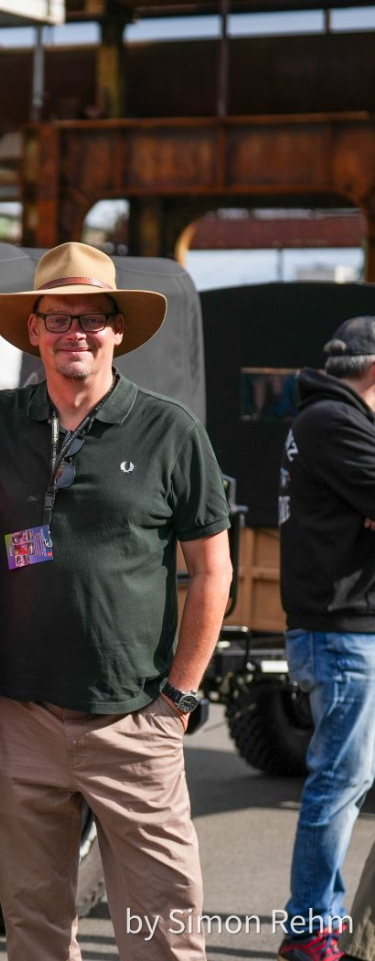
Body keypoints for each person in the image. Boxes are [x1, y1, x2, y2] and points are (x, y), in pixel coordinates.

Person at [0, 242, 233, 961]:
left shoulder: (169, 430)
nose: (75, 334)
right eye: (58, 319)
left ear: (118, 329)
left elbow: (213, 572)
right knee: (34, 934)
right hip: (20, 719)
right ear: (34, 330)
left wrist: (178, 700)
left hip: (134, 720)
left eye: (91, 318)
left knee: (164, 934)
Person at [276, 316, 375, 961]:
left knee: (345, 780)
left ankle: (322, 921)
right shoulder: (333, 421)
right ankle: (312, 927)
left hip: (343, 628)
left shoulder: (328, 418)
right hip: (341, 632)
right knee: (340, 781)